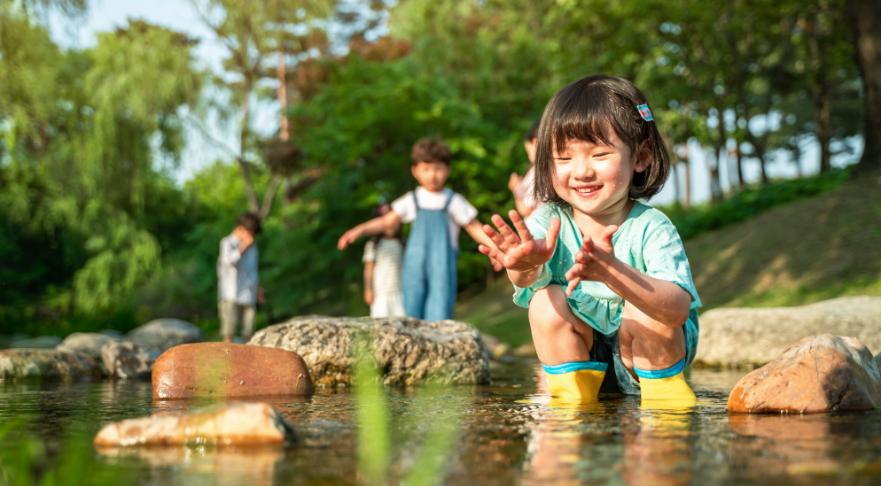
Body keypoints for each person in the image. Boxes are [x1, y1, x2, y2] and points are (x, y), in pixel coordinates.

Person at [479, 75, 700, 403]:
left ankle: (664, 412)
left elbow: (677, 310)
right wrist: (524, 266)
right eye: (564, 158)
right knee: (543, 300)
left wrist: (614, 273)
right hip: (579, 355)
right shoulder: (548, 221)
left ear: (640, 157)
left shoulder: (652, 227)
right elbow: (527, 280)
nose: (581, 171)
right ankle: (573, 405)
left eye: (599, 154)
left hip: (649, 361)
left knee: (645, 308)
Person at [338, 137, 502, 321]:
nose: (432, 175)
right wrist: (358, 231)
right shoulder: (412, 199)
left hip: (443, 268)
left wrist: (494, 249)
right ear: (415, 171)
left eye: (438, 168)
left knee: (440, 311)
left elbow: (474, 227)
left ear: (447, 170)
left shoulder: (453, 201)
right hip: (414, 268)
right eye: (426, 169)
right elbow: (386, 222)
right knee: (412, 312)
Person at [217, 212, 264, 343]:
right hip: (229, 293)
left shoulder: (253, 247)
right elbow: (228, 261)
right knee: (228, 331)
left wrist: (257, 287)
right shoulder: (227, 242)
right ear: (241, 229)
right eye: (250, 233)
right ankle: (226, 360)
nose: (252, 237)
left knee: (249, 331)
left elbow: (252, 270)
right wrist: (243, 247)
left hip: (248, 293)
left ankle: (248, 359)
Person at [362, 204, 406, 318]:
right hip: (381, 293)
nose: (391, 225)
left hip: (401, 291)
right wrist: (368, 289)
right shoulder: (373, 245)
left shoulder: (403, 243)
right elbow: (369, 268)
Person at [508, 120, 544, 218]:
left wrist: (516, 189)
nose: (529, 155)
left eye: (528, 150)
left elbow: (525, 209)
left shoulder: (538, 171)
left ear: (535, 142)